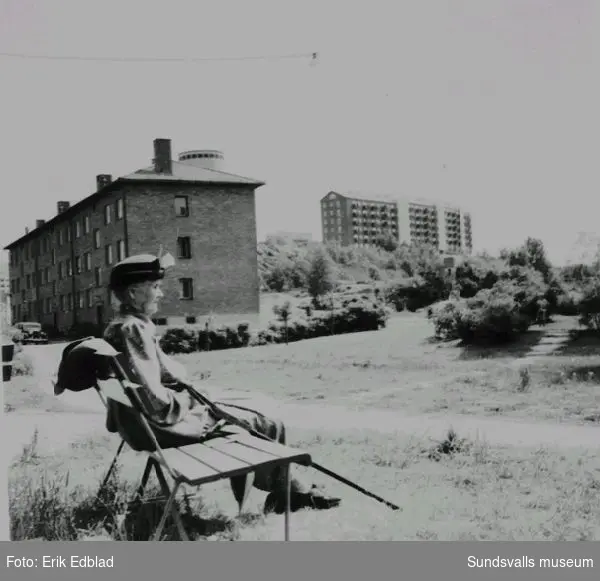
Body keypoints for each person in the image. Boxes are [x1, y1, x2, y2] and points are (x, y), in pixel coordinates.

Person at [102, 253, 341, 515]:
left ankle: (291, 488)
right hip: (158, 428)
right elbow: (155, 402)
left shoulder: (125, 326)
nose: (161, 294)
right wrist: (192, 401)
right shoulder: (132, 330)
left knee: (248, 405)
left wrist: (188, 389)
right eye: (155, 287)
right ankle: (290, 493)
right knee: (262, 419)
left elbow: (153, 382)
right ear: (135, 293)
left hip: (139, 425)